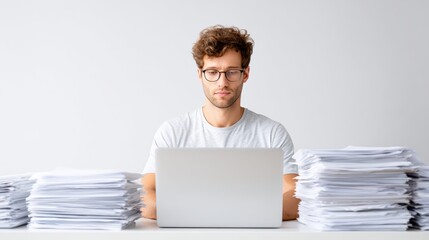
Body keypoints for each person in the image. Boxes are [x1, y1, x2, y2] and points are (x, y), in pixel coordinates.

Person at [141, 25, 299, 221]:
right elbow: (144, 195)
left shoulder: (271, 133)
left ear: (245, 74)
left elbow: (295, 195)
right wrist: (205, 214)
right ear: (200, 74)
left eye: (231, 72)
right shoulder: (172, 131)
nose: (222, 82)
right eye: (213, 72)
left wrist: (229, 215)